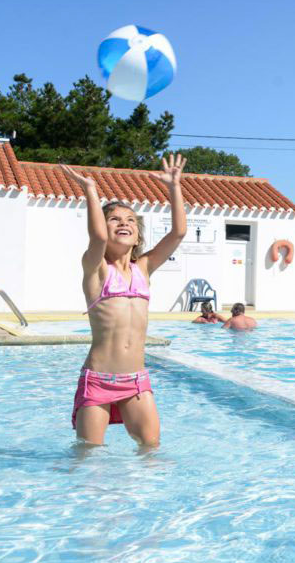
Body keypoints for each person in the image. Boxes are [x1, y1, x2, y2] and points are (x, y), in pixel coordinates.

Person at [62, 154, 187, 448]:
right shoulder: (96, 269)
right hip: (98, 380)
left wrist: (174, 187)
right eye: (115, 219)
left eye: (131, 220)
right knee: (88, 455)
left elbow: (179, 232)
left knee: (151, 448)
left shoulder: (143, 268)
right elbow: (97, 239)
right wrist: (91, 190)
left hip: (136, 381)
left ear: (137, 235)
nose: (124, 223)